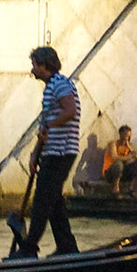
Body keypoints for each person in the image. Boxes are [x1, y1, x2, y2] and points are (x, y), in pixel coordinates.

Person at [10, 45, 80, 258]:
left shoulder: (60, 83)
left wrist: (50, 126)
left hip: (61, 152)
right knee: (54, 201)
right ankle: (67, 246)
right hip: (52, 152)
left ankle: (29, 248)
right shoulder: (51, 87)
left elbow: (70, 111)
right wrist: (35, 154)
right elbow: (45, 125)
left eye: (34, 65)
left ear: (44, 65)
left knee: (42, 200)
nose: (32, 69)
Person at [103, 125, 137, 196]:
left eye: (129, 136)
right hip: (110, 172)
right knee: (119, 164)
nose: (127, 138)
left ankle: (132, 187)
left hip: (123, 173)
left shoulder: (130, 145)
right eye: (126, 135)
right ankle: (115, 187)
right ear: (120, 134)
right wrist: (129, 157)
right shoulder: (113, 144)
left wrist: (129, 147)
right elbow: (114, 158)